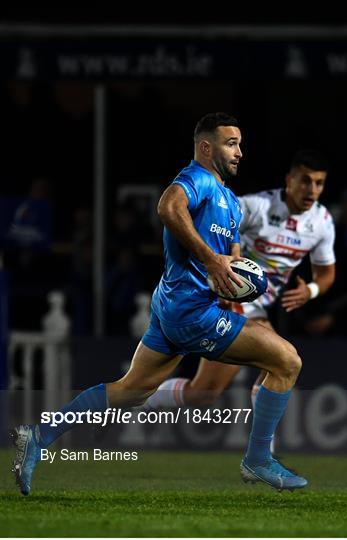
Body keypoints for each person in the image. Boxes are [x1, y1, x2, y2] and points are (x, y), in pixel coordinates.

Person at [12, 112, 307, 495]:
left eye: (240, 144)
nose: (239, 152)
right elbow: (168, 209)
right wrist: (210, 258)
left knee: (130, 390)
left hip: (178, 307)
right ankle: (257, 460)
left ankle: (37, 436)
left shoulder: (231, 202)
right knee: (287, 361)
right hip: (190, 310)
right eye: (230, 143)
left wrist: (239, 283)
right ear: (206, 147)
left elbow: (231, 261)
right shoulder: (195, 179)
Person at [143, 149, 336, 411]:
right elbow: (210, 226)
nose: (311, 189)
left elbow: (326, 274)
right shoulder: (257, 206)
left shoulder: (322, 222)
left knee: (203, 395)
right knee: (284, 363)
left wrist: (311, 291)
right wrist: (215, 272)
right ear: (289, 180)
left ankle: (135, 401)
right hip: (229, 300)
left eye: (319, 183)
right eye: (305, 180)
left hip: (255, 305)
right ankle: (262, 452)